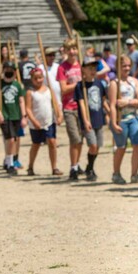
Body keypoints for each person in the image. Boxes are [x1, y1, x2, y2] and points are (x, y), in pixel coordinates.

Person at [109, 55, 138, 184]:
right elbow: (113, 105)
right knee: (121, 147)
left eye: (129, 65)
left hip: (133, 117)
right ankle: (116, 173)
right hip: (121, 119)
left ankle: (134, 174)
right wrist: (114, 123)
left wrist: (127, 102)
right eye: (124, 66)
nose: (127, 68)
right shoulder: (114, 83)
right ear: (118, 67)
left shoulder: (134, 82)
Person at [75, 60, 109, 182]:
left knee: (98, 146)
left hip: (98, 118)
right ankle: (90, 168)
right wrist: (85, 120)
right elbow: (82, 104)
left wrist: (110, 112)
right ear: (83, 69)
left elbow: (103, 100)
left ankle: (90, 167)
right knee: (93, 145)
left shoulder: (99, 84)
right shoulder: (80, 86)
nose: (92, 71)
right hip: (88, 120)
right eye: (89, 68)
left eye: (94, 68)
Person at [25, 68, 63, 176]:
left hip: (49, 121)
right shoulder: (30, 92)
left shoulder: (49, 90)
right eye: (36, 78)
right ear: (32, 80)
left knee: (52, 142)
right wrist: (34, 120)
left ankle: (54, 167)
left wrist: (59, 115)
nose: (38, 80)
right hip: (36, 124)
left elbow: (55, 104)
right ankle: (30, 166)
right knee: (36, 144)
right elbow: (28, 109)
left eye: (40, 77)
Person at [57, 38, 85, 180]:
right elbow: (64, 88)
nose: (73, 51)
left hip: (82, 107)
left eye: (74, 48)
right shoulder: (62, 68)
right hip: (69, 107)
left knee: (80, 139)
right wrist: (79, 84)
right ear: (66, 51)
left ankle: (77, 163)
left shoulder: (82, 65)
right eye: (70, 49)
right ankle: (73, 168)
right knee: (75, 139)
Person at [0, 61, 26, 175]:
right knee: (10, 139)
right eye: (6, 69)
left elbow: (21, 100)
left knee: (15, 139)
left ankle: (10, 160)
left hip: (16, 116)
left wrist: (24, 116)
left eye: (11, 70)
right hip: (5, 116)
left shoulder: (17, 85)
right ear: (3, 70)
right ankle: (10, 164)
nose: (9, 72)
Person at [38, 47, 62, 112]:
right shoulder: (41, 68)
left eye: (53, 55)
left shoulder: (58, 66)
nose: (52, 57)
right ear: (44, 56)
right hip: (47, 97)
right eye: (49, 55)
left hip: (58, 97)